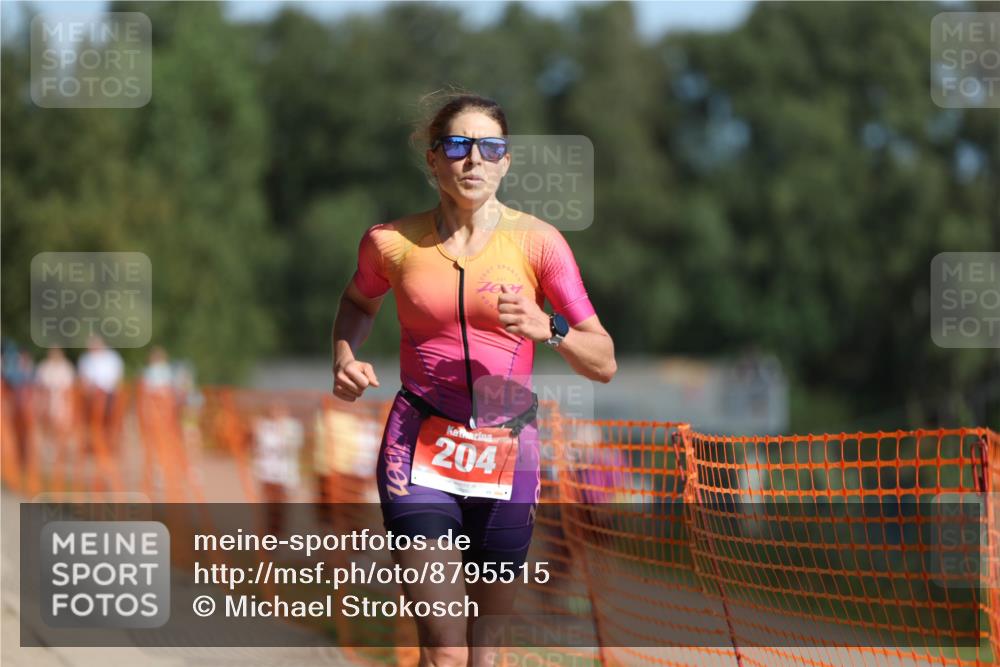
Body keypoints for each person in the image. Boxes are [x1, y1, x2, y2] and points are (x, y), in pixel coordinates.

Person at [331, 92, 616, 667]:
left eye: (490, 147)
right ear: (434, 158)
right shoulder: (390, 242)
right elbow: (358, 301)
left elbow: (604, 360)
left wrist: (549, 328)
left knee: (485, 654)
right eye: (459, 145)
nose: (474, 159)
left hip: (506, 451)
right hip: (419, 445)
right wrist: (343, 354)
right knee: (445, 648)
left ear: (506, 162)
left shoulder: (539, 243)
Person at [252, 401, 304, 536]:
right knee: (268, 509)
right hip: (267, 475)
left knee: (280, 509)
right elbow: (257, 446)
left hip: (284, 477)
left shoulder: (293, 427)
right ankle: (269, 537)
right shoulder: (265, 427)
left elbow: (293, 446)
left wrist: (282, 430)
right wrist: (255, 431)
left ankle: (277, 537)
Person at [77, 335, 124, 454]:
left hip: (108, 393)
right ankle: (92, 442)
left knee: (110, 414)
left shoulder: (112, 357)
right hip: (90, 394)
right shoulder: (85, 359)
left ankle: (108, 442)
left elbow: (116, 378)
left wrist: (103, 387)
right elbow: (83, 378)